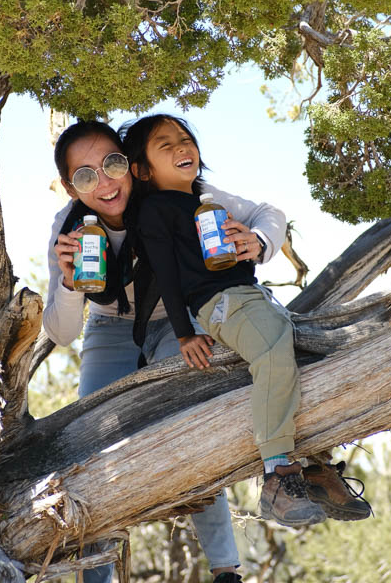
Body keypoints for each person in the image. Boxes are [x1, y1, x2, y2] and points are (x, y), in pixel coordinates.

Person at [44, 119, 288, 583]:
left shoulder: (174, 191)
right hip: (110, 327)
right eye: (85, 176)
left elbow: (268, 212)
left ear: (131, 165)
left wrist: (259, 241)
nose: (104, 182)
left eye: (112, 164)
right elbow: (61, 332)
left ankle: (226, 577)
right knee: (92, 457)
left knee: (187, 429)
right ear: (70, 187)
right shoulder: (69, 228)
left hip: (181, 320)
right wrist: (68, 284)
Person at [121, 114, 372, 528]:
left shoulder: (205, 201)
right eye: (165, 145)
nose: (181, 147)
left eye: (185, 138)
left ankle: (316, 467)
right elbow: (164, 272)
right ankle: (278, 475)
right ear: (143, 171)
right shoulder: (155, 209)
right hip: (221, 303)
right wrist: (184, 334)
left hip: (252, 296)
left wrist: (251, 240)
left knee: (302, 362)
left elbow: (266, 214)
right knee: (273, 354)